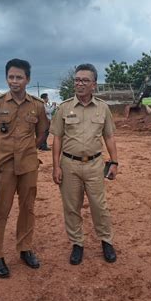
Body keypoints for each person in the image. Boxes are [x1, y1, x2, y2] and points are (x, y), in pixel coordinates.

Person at [0, 59, 49, 278]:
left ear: (27, 79)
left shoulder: (37, 105)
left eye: (19, 77)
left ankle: (25, 248)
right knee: (1, 210)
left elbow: (41, 133)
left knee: (27, 208)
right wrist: (3, 151)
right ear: (6, 78)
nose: (14, 81)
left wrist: (29, 148)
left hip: (29, 164)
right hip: (4, 166)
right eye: (11, 77)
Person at [50, 63, 119, 265]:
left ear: (94, 85)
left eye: (85, 80)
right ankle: (77, 244)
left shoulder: (103, 108)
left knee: (99, 206)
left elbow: (109, 136)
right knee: (71, 207)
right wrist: (56, 166)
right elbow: (57, 139)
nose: (79, 83)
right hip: (69, 165)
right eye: (77, 80)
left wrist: (114, 161)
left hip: (95, 164)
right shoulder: (63, 108)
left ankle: (106, 241)